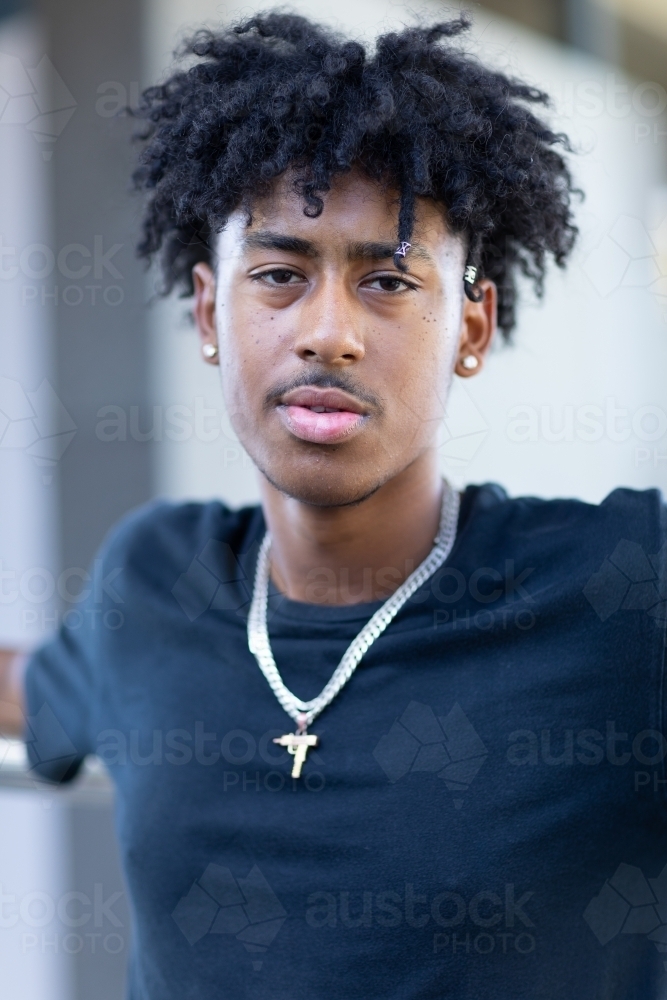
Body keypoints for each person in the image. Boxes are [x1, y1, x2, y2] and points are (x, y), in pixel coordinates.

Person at [1, 12, 665, 998]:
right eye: (278, 274)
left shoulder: (621, 590)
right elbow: (34, 686)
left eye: (387, 280)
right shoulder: (154, 583)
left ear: (470, 329)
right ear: (208, 313)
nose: (328, 333)